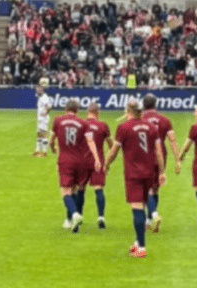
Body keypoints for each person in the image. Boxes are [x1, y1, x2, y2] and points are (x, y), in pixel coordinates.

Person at [104, 99, 166, 258]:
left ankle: (142, 248)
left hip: (134, 174)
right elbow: (159, 152)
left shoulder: (124, 127)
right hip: (149, 172)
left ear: (128, 111)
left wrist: (106, 164)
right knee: (144, 203)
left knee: (137, 207)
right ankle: (138, 242)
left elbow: (114, 151)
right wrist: (161, 172)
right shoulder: (151, 127)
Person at [49, 99, 101, 233]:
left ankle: (74, 214)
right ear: (77, 110)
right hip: (80, 160)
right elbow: (90, 140)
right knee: (76, 190)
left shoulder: (58, 120)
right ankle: (70, 221)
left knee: (65, 191)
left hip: (65, 160)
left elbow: (51, 139)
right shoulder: (83, 123)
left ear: (65, 109)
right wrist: (97, 158)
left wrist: (53, 147)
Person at [142, 93, 180, 232]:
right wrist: (177, 159)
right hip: (161, 155)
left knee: (146, 188)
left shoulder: (140, 119)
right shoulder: (165, 120)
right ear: (155, 104)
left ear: (144, 105)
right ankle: (149, 220)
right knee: (155, 188)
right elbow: (172, 140)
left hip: (144, 154)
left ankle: (152, 215)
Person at [76, 102, 113, 230]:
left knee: (81, 188)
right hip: (98, 161)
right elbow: (111, 144)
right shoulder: (103, 125)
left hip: (82, 161)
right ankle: (101, 217)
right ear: (98, 112)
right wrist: (107, 162)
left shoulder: (80, 124)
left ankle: (79, 216)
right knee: (98, 188)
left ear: (87, 112)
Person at [31, 85, 51, 157]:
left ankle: (44, 151)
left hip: (43, 119)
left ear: (41, 90)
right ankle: (37, 150)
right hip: (40, 119)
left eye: (37, 90)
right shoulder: (40, 97)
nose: (36, 91)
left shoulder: (44, 98)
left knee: (43, 135)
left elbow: (48, 107)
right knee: (39, 135)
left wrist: (45, 113)